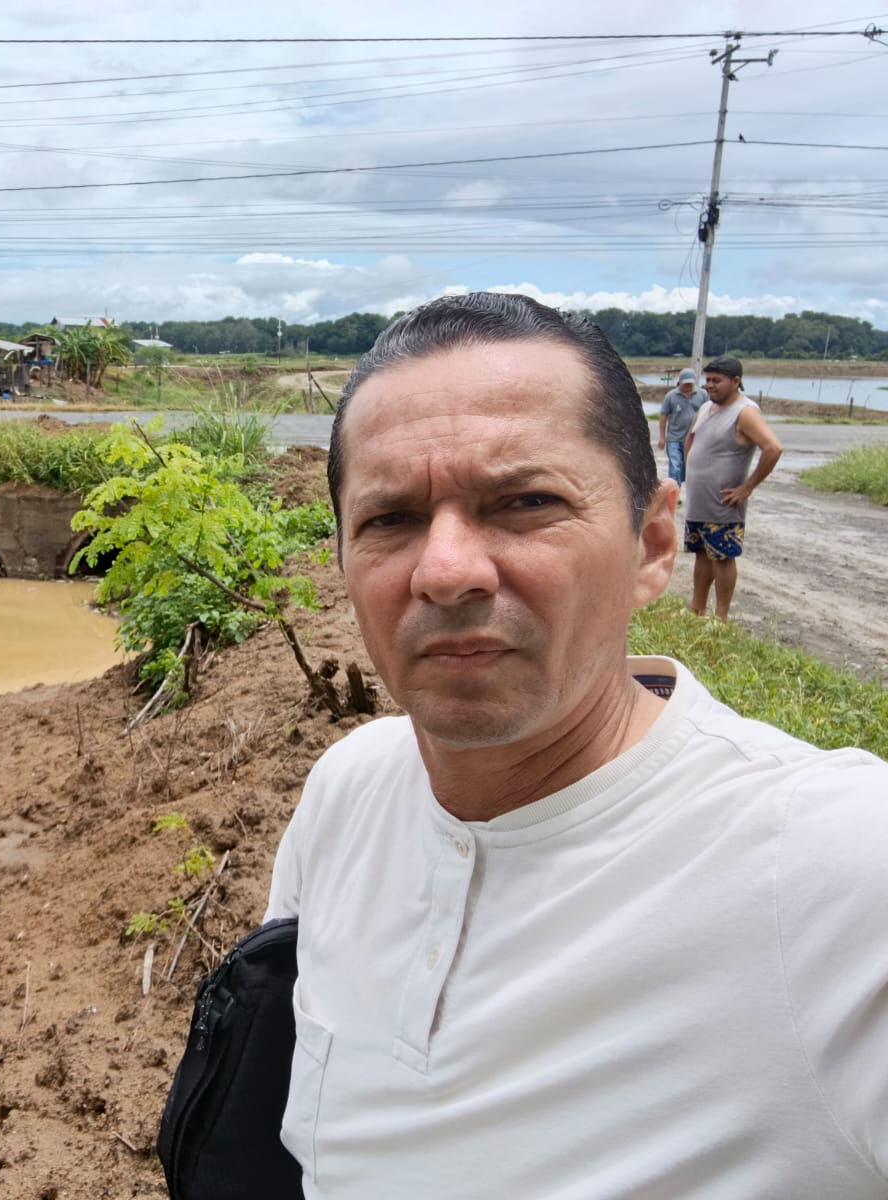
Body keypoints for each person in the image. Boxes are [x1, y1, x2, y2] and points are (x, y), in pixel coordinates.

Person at [265, 293, 887, 1198]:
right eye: (389, 519)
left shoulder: (837, 870)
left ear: (653, 543)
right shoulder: (346, 791)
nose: (445, 571)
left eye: (526, 502)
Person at [683, 355, 783, 621]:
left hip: (724, 503)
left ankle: (721, 617)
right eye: (708, 380)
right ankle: (697, 610)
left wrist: (746, 488)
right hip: (699, 500)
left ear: (736, 381)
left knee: (723, 557)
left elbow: (773, 448)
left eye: (717, 381)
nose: (709, 385)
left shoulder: (745, 412)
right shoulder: (706, 407)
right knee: (701, 554)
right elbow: (692, 439)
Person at [657, 366, 706, 487]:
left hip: (694, 438)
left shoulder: (702, 395)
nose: (688, 386)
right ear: (680, 382)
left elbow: (709, 412)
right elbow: (663, 415)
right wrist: (662, 437)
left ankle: (688, 488)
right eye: (685, 384)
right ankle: (675, 492)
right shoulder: (671, 396)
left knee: (690, 467)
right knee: (675, 467)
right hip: (674, 438)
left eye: (690, 384)